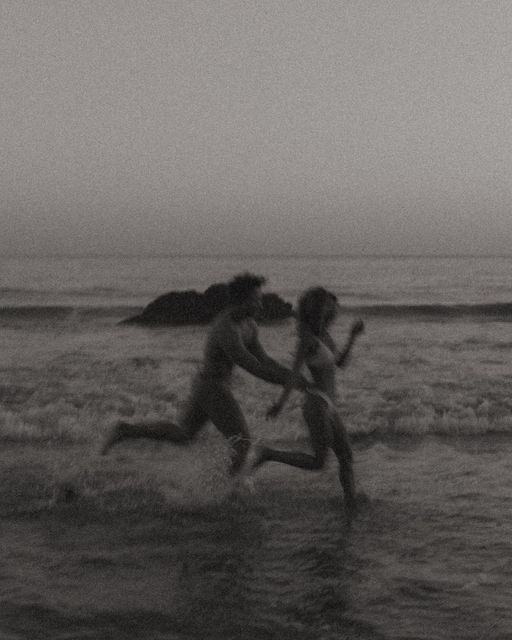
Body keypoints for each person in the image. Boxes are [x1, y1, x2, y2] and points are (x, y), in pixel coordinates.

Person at [101, 273, 309, 478]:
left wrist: (292, 377)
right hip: (211, 387)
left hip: (206, 385)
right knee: (242, 442)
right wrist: (291, 382)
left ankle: (126, 430)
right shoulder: (226, 329)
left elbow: (265, 361)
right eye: (256, 300)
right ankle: (223, 488)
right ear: (241, 301)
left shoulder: (249, 325)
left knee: (183, 434)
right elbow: (252, 366)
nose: (260, 305)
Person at [251, 286, 364, 521]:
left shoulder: (326, 338)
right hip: (316, 403)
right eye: (326, 306)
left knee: (346, 456)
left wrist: (353, 338)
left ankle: (350, 504)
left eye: (332, 307)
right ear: (317, 310)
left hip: (329, 406)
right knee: (319, 462)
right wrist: (280, 404)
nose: (332, 309)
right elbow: (294, 374)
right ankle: (268, 454)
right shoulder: (308, 340)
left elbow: (340, 364)